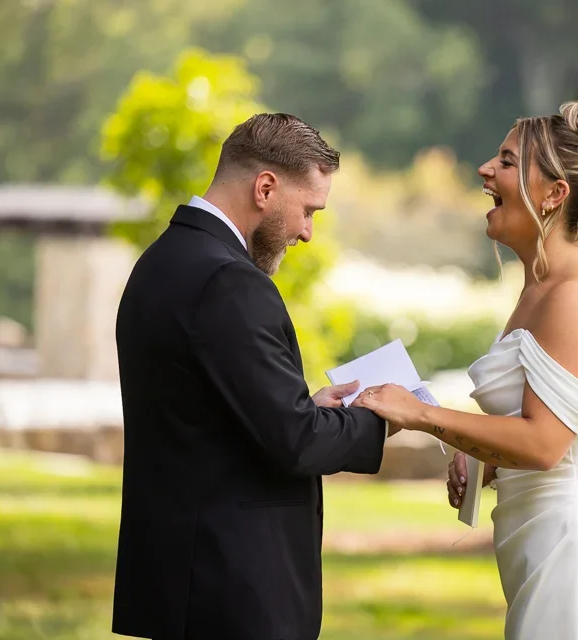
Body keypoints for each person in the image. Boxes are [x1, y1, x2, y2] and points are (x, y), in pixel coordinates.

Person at [354, 102, 578, 639]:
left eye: (505, 161)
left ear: (553, 194)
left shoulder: (576, 297)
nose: (485, 170)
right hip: (539, 539)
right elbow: (552, 426)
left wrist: (423, 415)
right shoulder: (539, 289)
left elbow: (546, 443)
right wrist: (481, 457)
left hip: (576, 549)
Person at [112, 113, 394, 640]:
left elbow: (208, 412)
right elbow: (296, 441)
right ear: (265, 187)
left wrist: (307, 406)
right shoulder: (229, 281)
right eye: (308, 210)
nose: (307, 232)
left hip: (182, 581)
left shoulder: (161, 262)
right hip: (235, 590)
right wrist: (386, 416)